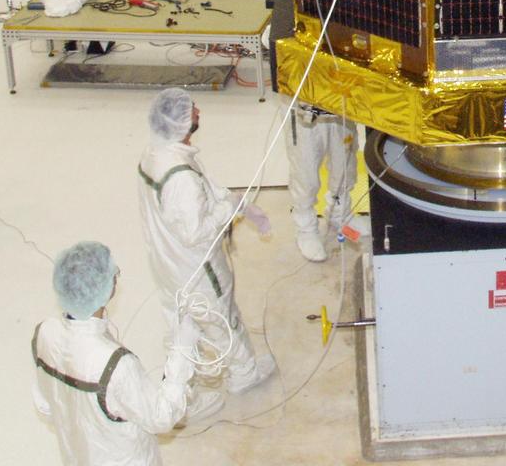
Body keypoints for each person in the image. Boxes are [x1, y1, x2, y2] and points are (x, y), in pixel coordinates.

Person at [137, 89, 275, 403]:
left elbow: (194, 199)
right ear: (183, 124)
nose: (197, 109)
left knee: (182, 322)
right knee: (220, 320)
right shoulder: (180, 177)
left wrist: (230, 199)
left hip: (167, 262)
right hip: (197, 268)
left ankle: (184, 378)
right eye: (191, 109)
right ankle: (244, 373)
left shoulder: (155, 155)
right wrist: (229, 209)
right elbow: (197, 232)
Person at [32, 240, 213, 465]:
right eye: (114, 274)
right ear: (108, 289)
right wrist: (182, 351)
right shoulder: (116, 364)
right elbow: (161, 417)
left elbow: (46, 405)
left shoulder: (45, 333)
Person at [289, 105, 359, 262]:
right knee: (306, 170)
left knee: (344, 162)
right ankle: (305, 228)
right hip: (305, 105)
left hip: (341, 95)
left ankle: (340, 214)